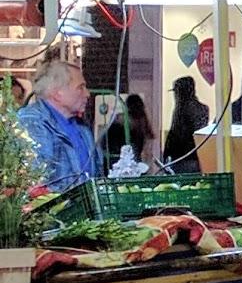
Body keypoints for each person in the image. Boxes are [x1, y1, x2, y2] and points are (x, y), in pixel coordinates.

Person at [18, 59, 100, 188]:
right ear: (57, 93)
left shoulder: (82, 128)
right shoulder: (31, 123)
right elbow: (36, 181)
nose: (87, 94)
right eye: (80, 87)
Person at [163, 75, 210, 173]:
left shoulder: (181, 109)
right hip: (197, 157)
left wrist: (166, 154)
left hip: (182, 158)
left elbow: (175, 134)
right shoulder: (203, 109)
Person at [105, 92, 154, 165]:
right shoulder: (143, 123)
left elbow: (106, 141)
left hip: (117, 160)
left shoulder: (120, 120)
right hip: (135, 161)